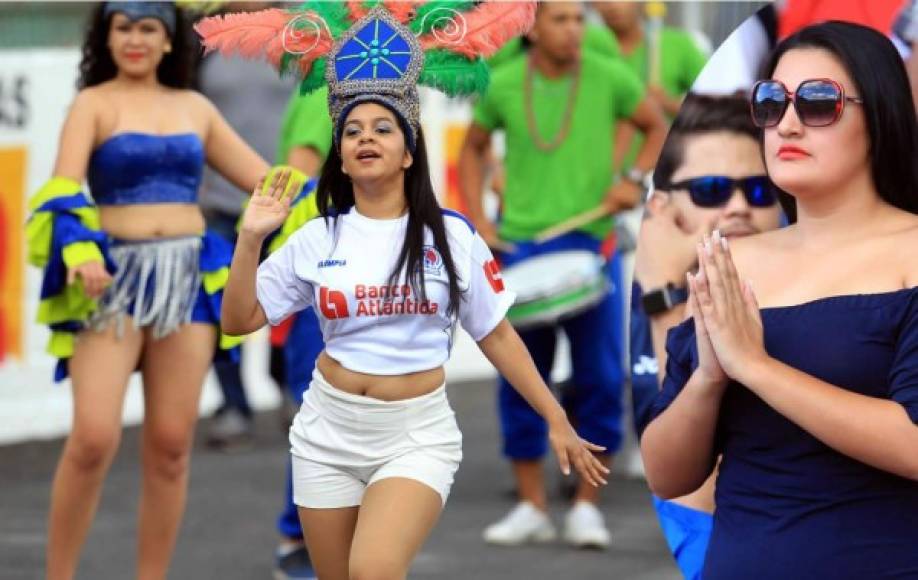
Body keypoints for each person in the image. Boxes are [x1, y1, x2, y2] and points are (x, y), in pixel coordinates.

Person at [204, 3, 609, 578]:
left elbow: (496, 336)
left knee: (373, 570)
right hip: (327, 430)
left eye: (382, 128)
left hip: (415, 434)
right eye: (352, 132)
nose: (365, 139)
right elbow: (238, 320)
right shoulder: (315, 237)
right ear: (340, 156)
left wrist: (557, 419)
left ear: (409, 149)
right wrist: (250, 240)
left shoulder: (452, 237)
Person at [24, 3, 299, 578]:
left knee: (172, 447)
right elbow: (62, 190)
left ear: (170, 41)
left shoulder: (196, 108)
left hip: (186, 282)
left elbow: (266, 183)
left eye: (149, 27)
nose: (135, 38)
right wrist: (80, 250)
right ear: (106, 35)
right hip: (111, 285)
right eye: (123, 26)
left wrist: (343, 188)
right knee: (95, 438)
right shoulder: (93, 103)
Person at [641, 21, 918, 579]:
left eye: (819, 103)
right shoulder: (732, 261)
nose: (787, 123)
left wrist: (758, 369)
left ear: (880, 116)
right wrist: (709, 379)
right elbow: (667, 476)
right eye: (770, 102)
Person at [459, 1, 667, 549]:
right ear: (534, 29)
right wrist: (478, 219)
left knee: (600, 378)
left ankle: (585, 507)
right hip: (521, 247)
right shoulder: (504, 83)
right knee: (522, 382)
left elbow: (655, 126)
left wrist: (632, 177)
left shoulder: (608, 75)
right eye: (562, 19)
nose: (576, 29)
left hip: (589, 242)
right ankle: (531, 505)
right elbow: (473, 149)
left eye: (580, 19)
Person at [630, 92, 783, 578]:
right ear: (661, 208)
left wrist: (664, 298)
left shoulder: (812, 313)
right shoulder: (637, 307)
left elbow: (704, 507)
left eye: (760, 191)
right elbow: (676, 492)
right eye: (712, 190)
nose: (739, 207)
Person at [195, 2, 298, 451]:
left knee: (292, 307)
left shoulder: (303, 35)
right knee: (221, 311)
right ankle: (234, 406)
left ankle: (290, 391)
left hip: (286, 201)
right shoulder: (198, 40)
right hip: (217, 204)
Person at [591, 1, 708, 172]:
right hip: (600, 179)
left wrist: (669, 104)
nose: (612, 5)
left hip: (662, 174)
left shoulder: (677, 46)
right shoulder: (584, 50)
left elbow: (720, 106)